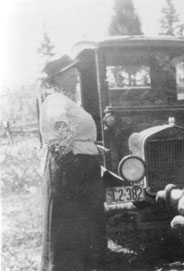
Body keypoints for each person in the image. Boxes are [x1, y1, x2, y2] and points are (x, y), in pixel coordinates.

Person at [39, 55, 106, 271]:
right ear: (58, 77)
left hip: (77, 165)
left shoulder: (66, 101)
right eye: (71, 72)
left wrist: (91, 148)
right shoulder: (56, 100)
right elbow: (60, 132)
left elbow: (74, 134)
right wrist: (73, 163)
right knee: (68, 225)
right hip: (70, 169)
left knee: (81, 224)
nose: (77, 75)